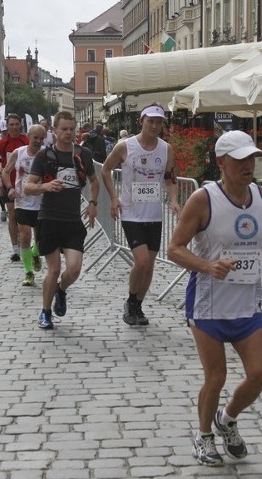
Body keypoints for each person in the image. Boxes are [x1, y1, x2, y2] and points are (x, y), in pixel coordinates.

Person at [167, 130, 262, 467]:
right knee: (216, 377)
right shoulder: (203, 199)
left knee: (260, 373)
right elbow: (174, 248)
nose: (249, 165)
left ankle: (228, 418)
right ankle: (204, 436)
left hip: (247, 302)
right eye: (241, 160)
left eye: (252, 158)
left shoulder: (260, 195)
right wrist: (207, 265)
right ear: (222, 163)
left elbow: (256, 240)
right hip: (209, 303)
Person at [100, 103, 180, 325]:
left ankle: (137, 306)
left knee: (149, 265)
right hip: (131, 213)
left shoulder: (166, 149)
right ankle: (131, 301)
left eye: (158, 122)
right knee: (142, 261)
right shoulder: (125, 146)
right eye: (150, 121)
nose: (154, 126)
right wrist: (114, 198)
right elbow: (106, 170)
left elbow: (170, 178)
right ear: (142, 121)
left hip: (154, 214)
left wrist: (173, 199)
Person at [24, 110, 101, 330]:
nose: (68, 133)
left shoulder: (83, 154)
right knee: (54, 269)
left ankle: (61, 290)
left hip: (72, 220)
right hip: (48, 218)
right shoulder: (45, 156)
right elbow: (28, 187)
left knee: (75, 269)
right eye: (64, 129)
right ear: (55, 131)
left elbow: (94, 182)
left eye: (71, 129)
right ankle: (45, 312)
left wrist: (93, 204)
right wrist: (45, 187)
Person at [3, 124, 46, 286]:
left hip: (42, 203)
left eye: (41, 138)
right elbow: (5, 172)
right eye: (35, 137)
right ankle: (28, 272)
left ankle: (35, 253)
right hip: (22, 201)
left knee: (42, 242)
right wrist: (10, 188)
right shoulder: (18, 153)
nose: (38, 141)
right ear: (29, 136)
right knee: (25, 236)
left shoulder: (46, 155)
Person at [0, 113, 29, 258]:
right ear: (7, 126)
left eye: (16, 124)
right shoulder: (2, 143)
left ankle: (23, 241)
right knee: (12, 215)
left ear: (20, 125)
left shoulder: (26, 140)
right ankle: (15, 248)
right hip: (9, 183)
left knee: (23, 218)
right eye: (11, 124)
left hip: (25, 184)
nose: (14, 127)